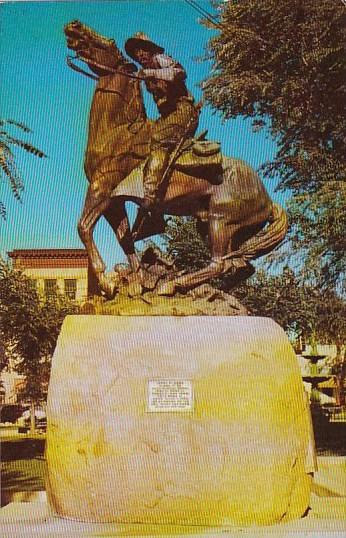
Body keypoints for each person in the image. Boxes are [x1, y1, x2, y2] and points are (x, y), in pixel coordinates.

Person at [125, 33, 200, 229]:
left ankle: (150, 199)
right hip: (166, 116)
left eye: (142, 49)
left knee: (158, 139)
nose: (139, 54)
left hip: (183, 111)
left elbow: (179, 73)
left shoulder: (160, 60)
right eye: (136, 52)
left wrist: (151, 74)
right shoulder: (144, 72)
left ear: (150, 49)